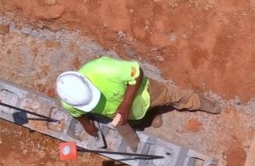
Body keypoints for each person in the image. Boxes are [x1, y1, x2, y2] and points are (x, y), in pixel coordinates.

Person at [55, 57, 220, 138]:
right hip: (125, 113)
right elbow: (76, 114)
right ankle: (152, 115)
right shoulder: (71, 101)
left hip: (145, 93)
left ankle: (208, 105)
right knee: (140, 120)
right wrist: (86, 126)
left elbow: (138, 73)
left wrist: (125, 105)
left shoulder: (104, 69)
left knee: (174, 96)